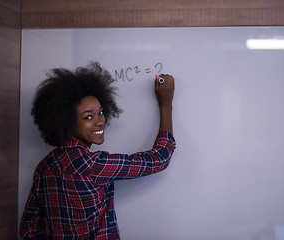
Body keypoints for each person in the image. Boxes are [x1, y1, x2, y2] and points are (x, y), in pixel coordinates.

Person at [20, 62, 176, 239]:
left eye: (100, 112)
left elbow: (29, 226)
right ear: (66, 120)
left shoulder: (44, 167)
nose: (100, 121)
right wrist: (166, 104)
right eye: (88, 116)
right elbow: (159, 159)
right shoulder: (93, 165)